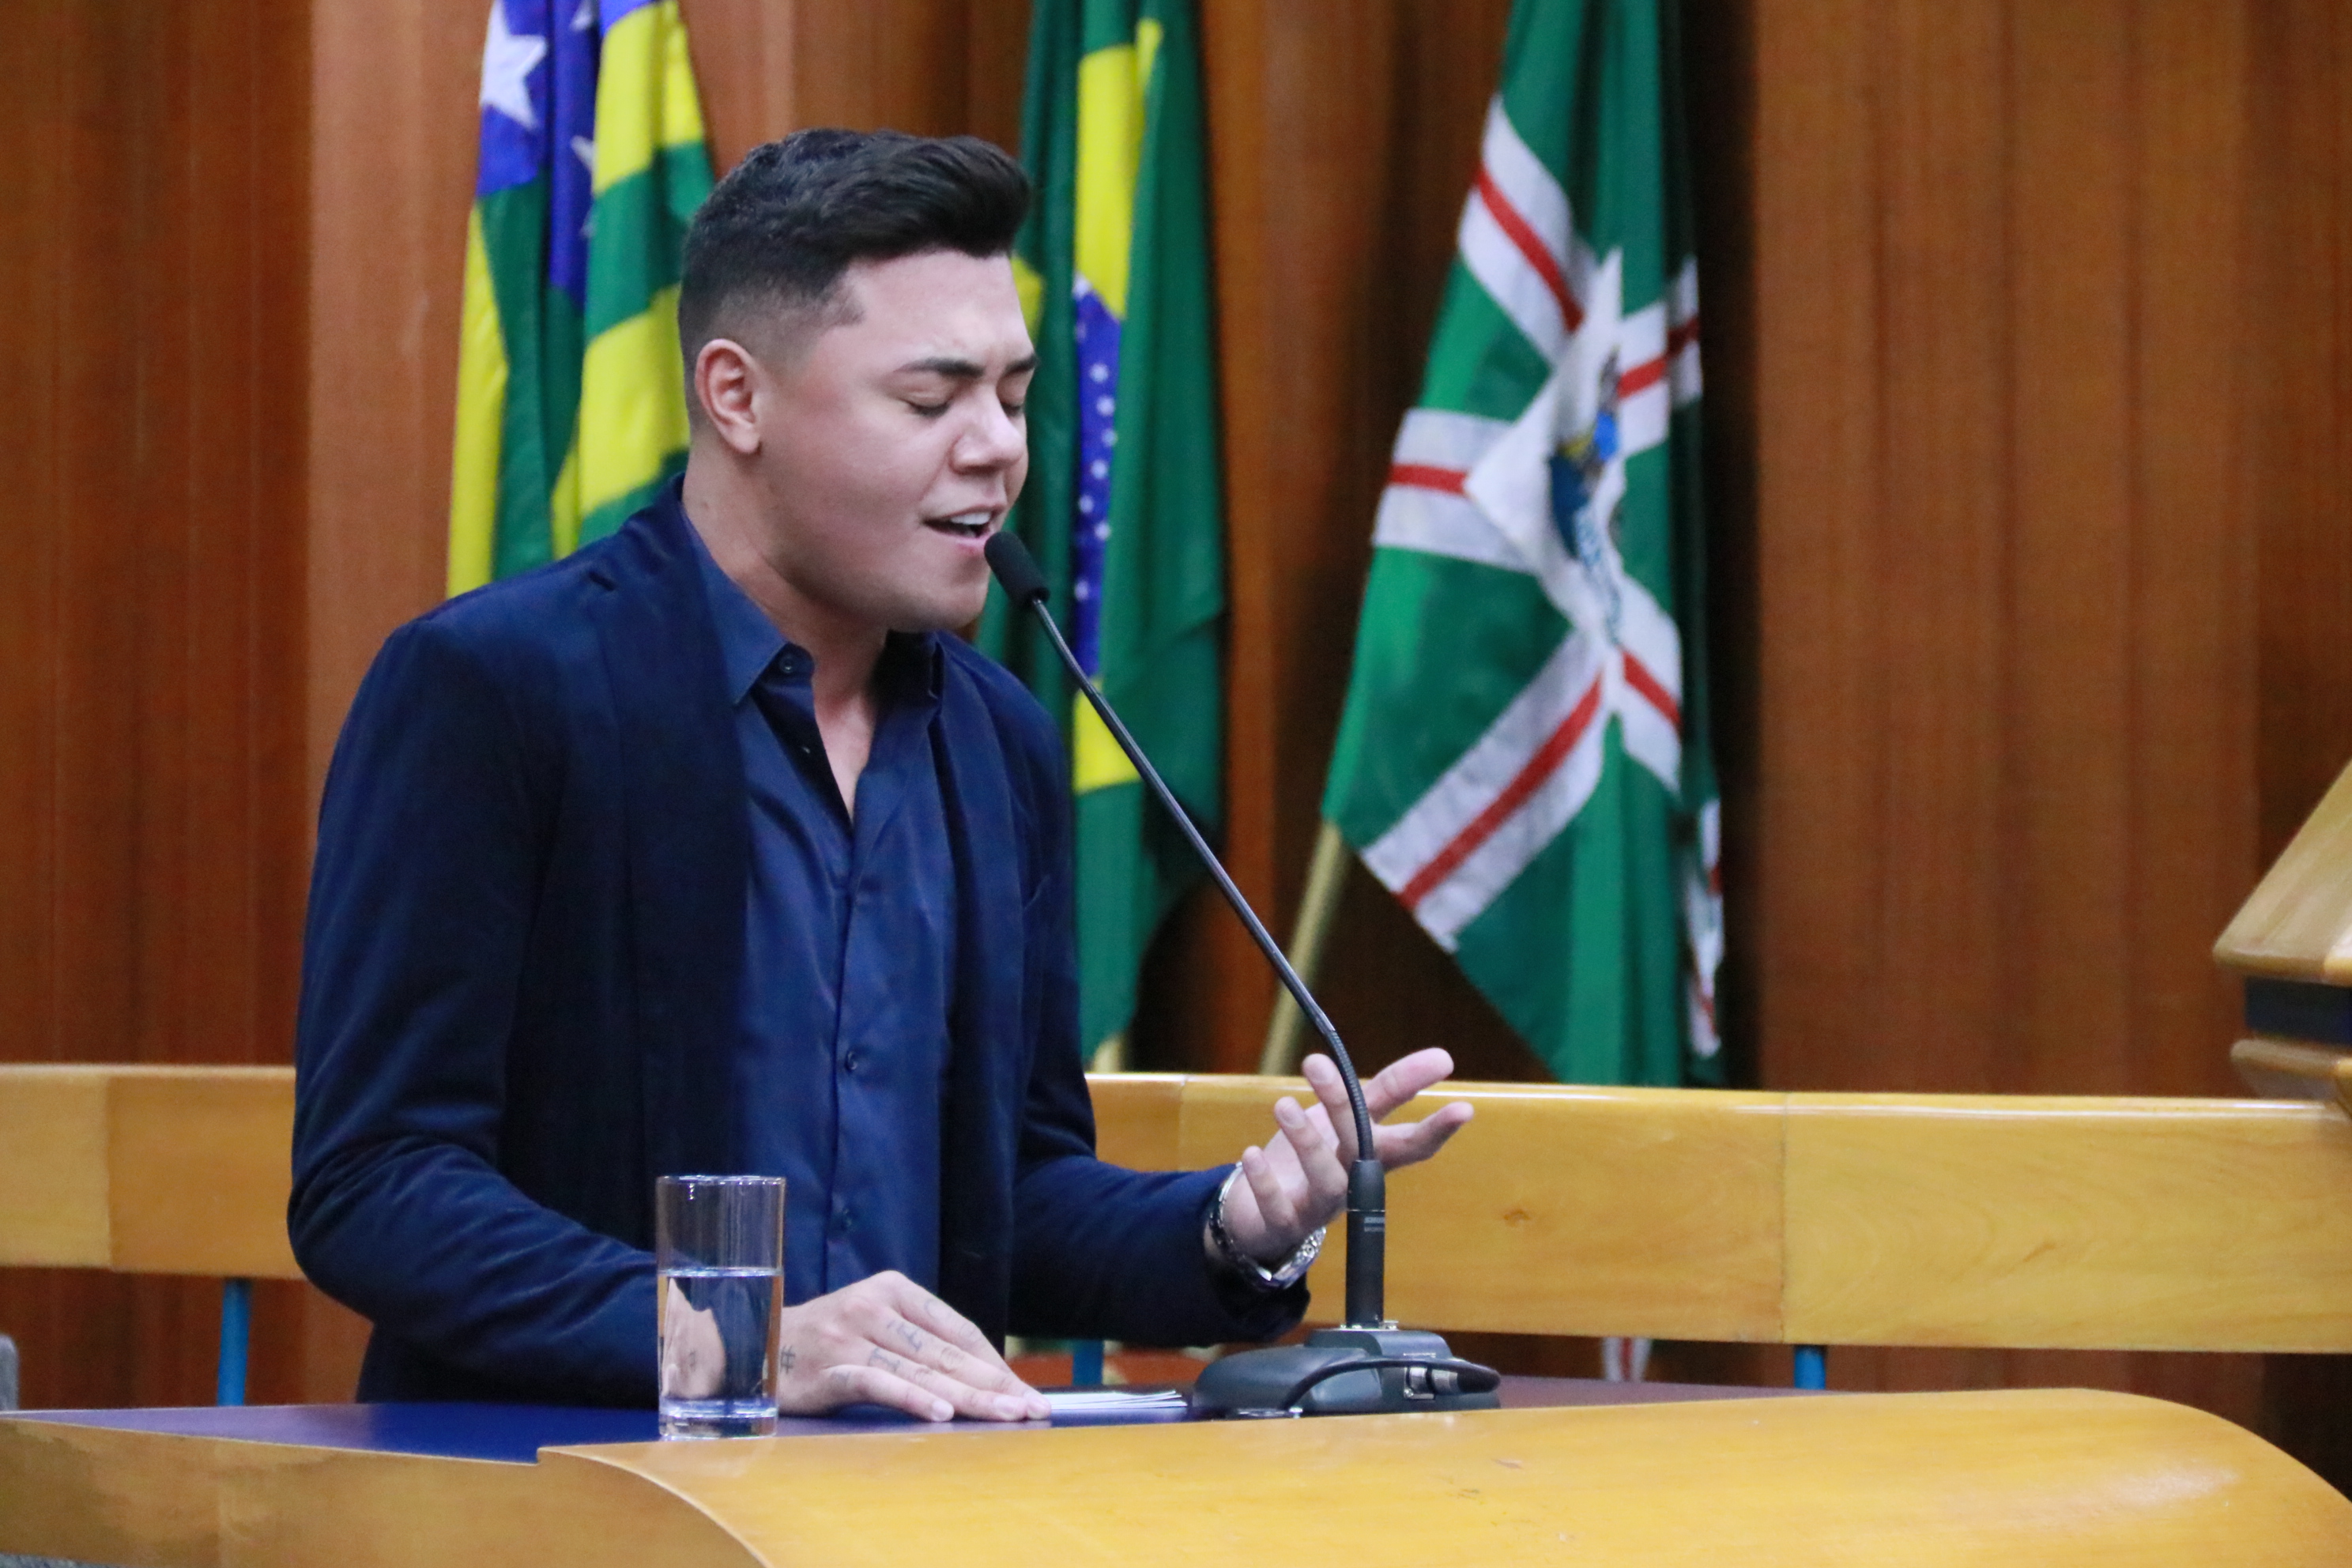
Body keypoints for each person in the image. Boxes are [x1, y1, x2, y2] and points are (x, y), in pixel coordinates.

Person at [290, 127, 1472, 1423]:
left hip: (907, 1498)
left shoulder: (998, 739)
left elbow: (1010, 1200)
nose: (997, 448)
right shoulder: (497, 691)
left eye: (1013, 396)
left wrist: (1234, 1229)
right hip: (565, 1487)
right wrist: (735, 1341)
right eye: (930, 400)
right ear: (736, 398)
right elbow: (377, 1183)